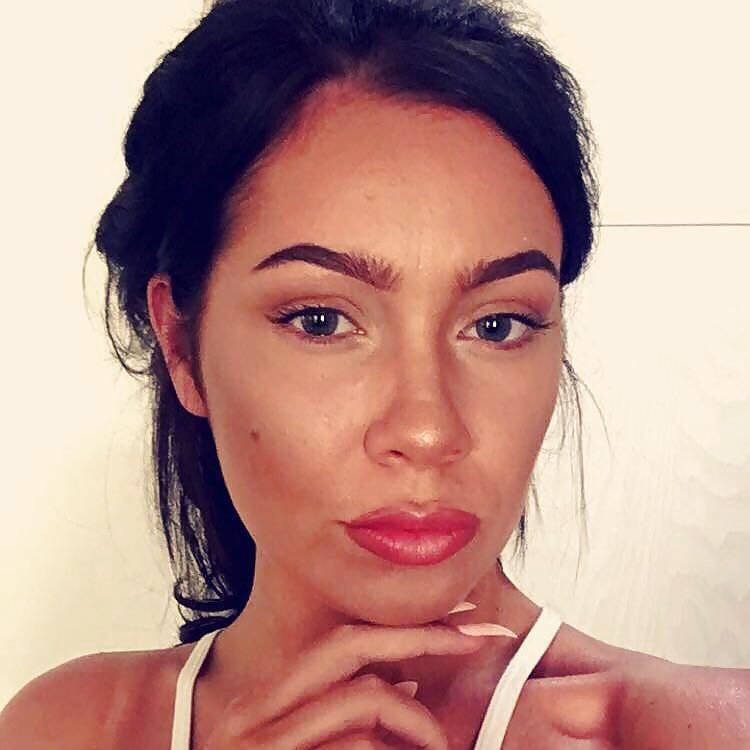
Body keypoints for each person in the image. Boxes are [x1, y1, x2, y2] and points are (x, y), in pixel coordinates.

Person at [1, 0, 748, 748]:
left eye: (497, 325)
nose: (427, 431)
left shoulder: (700, 729)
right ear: (180, 346)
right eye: (321, 321)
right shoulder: (67, 728)